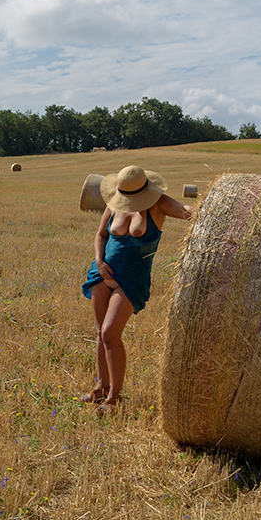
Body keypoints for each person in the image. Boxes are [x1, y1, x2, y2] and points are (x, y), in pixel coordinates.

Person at [80, 165, 192, 412]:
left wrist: (219, 206)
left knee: (110, 332)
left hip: (131, 281)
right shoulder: (115, 203)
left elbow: (188, 212)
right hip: (101, 274)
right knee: (101, 332)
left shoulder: (158, 204)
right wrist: (99, 262)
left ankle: (114, 397)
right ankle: (100, 387)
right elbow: (101, 235)